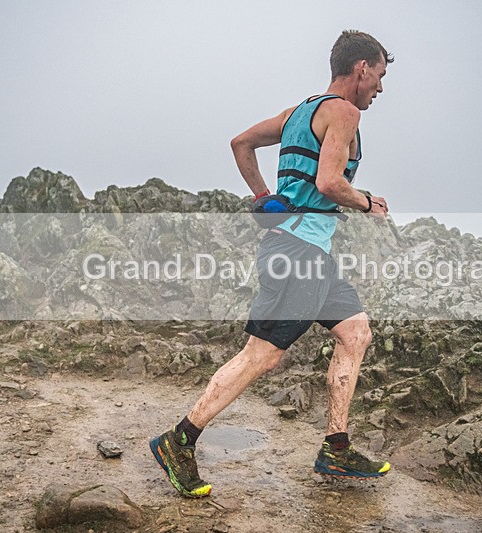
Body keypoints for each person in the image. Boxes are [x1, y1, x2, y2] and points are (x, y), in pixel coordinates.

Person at [149, 30, 394, 497]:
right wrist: (367, 202)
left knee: (356, 333)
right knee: (262, 355)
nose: (380, 89)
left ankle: (336, 449)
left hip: (310, 252)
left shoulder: (298, 112)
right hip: (297, 252)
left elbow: (240, 142)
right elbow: (328, 183)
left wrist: (266, 198)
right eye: (379, 76)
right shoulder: (344, 111)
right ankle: (179, 440)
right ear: (361, 68)